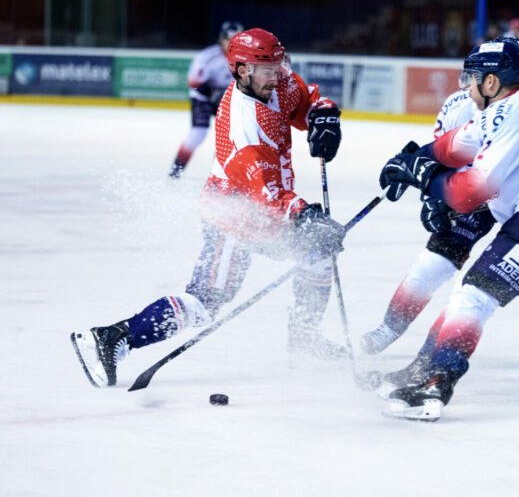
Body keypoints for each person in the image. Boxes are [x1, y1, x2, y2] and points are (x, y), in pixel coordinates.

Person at [72, 29, 347, 387]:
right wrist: (305, 215)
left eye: (279, 66)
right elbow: (266, 193)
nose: (276, 75)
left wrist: (323, 116)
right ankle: (111, 337)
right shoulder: (243, 125)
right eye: (267, 70)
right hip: (233, 213)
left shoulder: (273, 79)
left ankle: (305, 342)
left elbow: (306, 99)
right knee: (205, 302)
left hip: (265, 209)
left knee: (316, 256)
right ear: (241, 70)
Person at [375, 38, 519, 420]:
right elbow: (454, 147)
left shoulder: (514, 111)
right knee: (468, 294)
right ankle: (425, 368)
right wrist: (413, 160)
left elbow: (472, 191)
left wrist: (429, 182)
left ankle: (436, 384)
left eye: (472, 78)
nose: (466, 86)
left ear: (491, 82)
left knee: (474, 296)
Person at [359, 67, 519, 367]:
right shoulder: (458, 106)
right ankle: (390, 326)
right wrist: (436, 199)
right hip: (473, 192)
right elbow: (439, 156)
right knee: (433, 263)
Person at [169, 20, 244, 178]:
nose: (231, 44)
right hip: (202, 99)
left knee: (230, 137)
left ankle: (219, 177)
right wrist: (212, 93)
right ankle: (175, 172)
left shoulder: (246, 59)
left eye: (236, 40)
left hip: (227, 100)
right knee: (198, 133)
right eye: (228, 40)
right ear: (221, 39)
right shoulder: (207, 57)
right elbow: (194, 83)